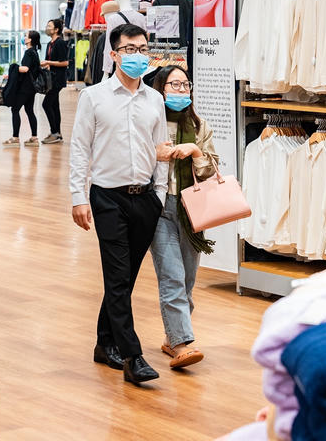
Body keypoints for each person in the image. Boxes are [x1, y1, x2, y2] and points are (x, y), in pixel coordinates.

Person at [69, 23, 168, 386]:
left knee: (123, 278)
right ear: (113, 54)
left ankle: (104, 342)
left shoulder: (154, 99)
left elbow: (161, 150)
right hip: (107, 197)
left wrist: (160, 195)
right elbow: (80, 148)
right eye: (129, 49)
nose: (137, 55)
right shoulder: (93, 97)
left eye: (143, 49)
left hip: (145, 199)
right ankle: (132, 355)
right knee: (116, 275)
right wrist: (78, 197)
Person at [149, 65, 218, 370]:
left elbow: (212, 170)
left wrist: (195, 152)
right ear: (160, 89)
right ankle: (181, 344)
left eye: (185, 85)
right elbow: (133, 159)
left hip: (191, 209)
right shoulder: (150, 122)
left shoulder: (199, 126)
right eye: (174, 84)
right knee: (172, 276)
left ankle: (172, 335)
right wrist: (155, 153)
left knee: (188, 279)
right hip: (158, 206)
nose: (180, 90)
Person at [3, 31, 41, 148]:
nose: (24, 38)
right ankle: (34, 138)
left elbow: (25, 69)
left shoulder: (29, 52)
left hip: (25, 88)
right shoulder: (34, 52)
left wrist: (13, 68)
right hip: (31, 88)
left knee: (15, 109)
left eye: (25, 36)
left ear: (30, 40)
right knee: (29, 111)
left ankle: (15, 138)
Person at [41, 18, 69, 144]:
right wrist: (46, 64)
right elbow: (51, 61)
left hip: (58, 79)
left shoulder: (60, 43)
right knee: (54, 105)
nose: (47, 28)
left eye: (49, 26)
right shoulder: (49, 44)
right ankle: (57, 133)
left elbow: (65, 62)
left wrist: (48, 62)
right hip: (51, 78)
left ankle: (54, 132)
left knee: (46, 104)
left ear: (56, 29)